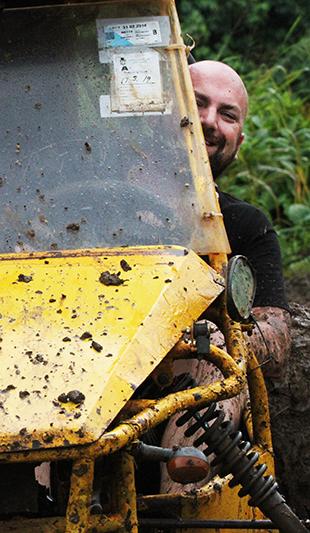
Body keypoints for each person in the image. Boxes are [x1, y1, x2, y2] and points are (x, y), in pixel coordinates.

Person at [160, 60, 291, 492]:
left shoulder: (246, 224)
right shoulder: (85, 202)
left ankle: (177, 506)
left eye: (227, 114)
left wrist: (212, 335)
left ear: (239, 138)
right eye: (196, 103)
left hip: (186, 381)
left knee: (219, 352)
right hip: (88, 369)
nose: (208, 121)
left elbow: (276, 335)